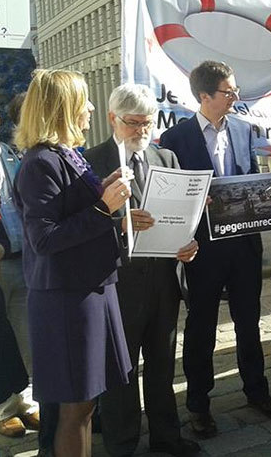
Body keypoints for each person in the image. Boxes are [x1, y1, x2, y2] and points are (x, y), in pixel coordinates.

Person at [160, 61, 271, 439]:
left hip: (245, 244)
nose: (235, 97)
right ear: (204, 96)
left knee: (249, 322)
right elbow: (172, 197)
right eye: (228, 92)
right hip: (203, 250)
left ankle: (256, 391)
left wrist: (269, 196)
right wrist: (198, 204)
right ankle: (199, 404)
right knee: (202, 328)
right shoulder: (175, 139)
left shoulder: (245, 130)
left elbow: (251, 177)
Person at [13, 69, 133, 456]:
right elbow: (44, 238)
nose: (93, 108)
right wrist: (104, 206)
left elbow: (72, 208)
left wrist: (103, 189)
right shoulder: (39, 163)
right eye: (85, 101)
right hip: (66, 298)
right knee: (76, 406)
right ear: (64, 107)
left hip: (89, 288)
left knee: (87, 403)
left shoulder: (66, 154)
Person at [84, 84, 200, 457]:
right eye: (133, 123)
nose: (140, 131)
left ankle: (167, 436)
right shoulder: (90, 162)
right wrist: (119, 222)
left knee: (164, 365)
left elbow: (184, 217)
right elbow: (81, 228)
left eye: (147, 123)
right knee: (121, 371)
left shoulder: (165, 157)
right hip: (117, 284)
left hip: (165, 281)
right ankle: (122, 444)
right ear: (112, 118)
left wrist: (188, 243)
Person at [0, 92, 39, 436]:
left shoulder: (15, 156)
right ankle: (2, 406)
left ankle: (27, 398)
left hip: (22, 257)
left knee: (25, 330)